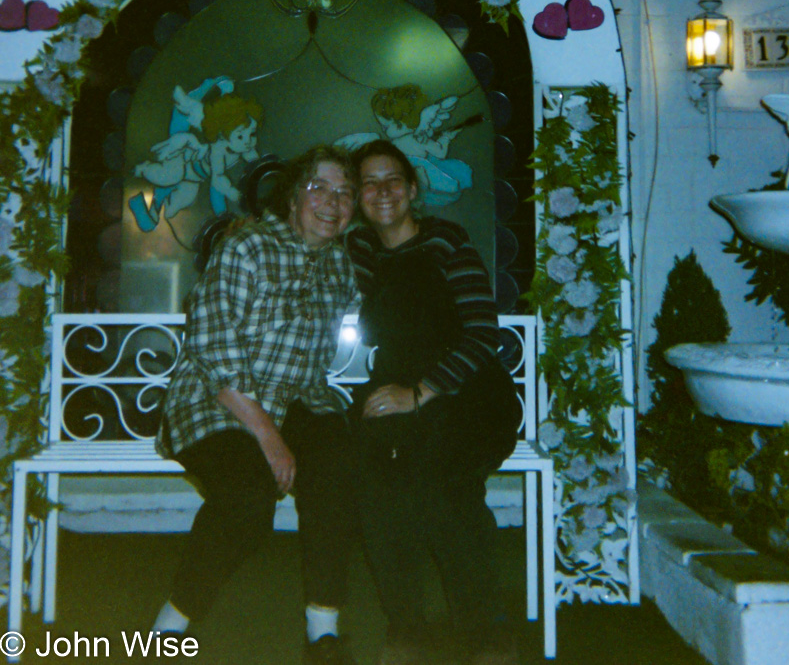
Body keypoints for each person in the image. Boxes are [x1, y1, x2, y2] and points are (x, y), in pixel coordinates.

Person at [153, 145, 360, 664]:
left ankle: (323, 631)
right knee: (247, 499)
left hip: (299, 401)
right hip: (217, 401)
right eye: (319, 188)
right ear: (292, 198)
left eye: (344, 192)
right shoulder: (245, 245)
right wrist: (270, 438)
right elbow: (215, 351)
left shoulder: (340, 262)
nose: (332, 203)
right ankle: (165, 630)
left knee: (341, 468)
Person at [346, 140, 521, 665]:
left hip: (468, 394)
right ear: (357, 197)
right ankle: (407, 628)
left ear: (413, 188)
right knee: (373, 481)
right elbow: (300, 236)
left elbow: (482, 333)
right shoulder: (358, 250)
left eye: (392, 179)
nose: (382, 191)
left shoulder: (446, 241)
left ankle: (486, 631)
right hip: (399, 395)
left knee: (443, 485)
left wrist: (421, 393)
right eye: (369, 183)